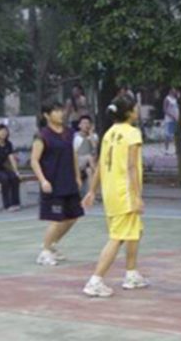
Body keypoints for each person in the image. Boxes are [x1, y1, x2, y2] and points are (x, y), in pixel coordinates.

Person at [82, 93, 148, 297]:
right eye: (135, 107)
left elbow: (101, 165)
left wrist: (92, 190)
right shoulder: (132, 133)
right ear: (129, 112)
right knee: (118, 237)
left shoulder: (109, 133)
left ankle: (131, 273)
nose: (137, 110)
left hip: (111, 192)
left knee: (135, 231)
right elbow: (131, 167)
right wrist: (136, 196)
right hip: (125, 192)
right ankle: (95, 280)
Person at [31, 101, 84, 266]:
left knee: (73, 217)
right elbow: (34, 160)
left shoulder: (69, 133)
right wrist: (43, 180)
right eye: (56, 111)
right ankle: (44, 252)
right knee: (56, 219)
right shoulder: (42, 136)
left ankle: (52, 245)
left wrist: (77, 176)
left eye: (61, 111)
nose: (60, 114)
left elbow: (73, 155)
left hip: (68, 181)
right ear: (47, 115)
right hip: (53, 183)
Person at [73, 116, 99, 195]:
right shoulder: (76, 137)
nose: (86, 125)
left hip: (91, 162)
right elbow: (75, 153)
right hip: (79, 161)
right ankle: (98, 174)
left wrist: (91, 135)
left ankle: (91, 193)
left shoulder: (94, 136)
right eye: (84, 123)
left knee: (89, 171)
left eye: (88, 123)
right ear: (79, 125)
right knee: (89, 157)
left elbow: (95, 149)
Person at [162, 88, 180, 154]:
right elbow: (165, 109)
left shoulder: (175, 99)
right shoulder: (167, 99)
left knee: (175, 135)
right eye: (173, 91)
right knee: (167, 135)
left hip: (175, 119)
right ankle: (166, 149)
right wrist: (171, 116)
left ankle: (176, 149)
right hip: (169, 120)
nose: (175, 92)